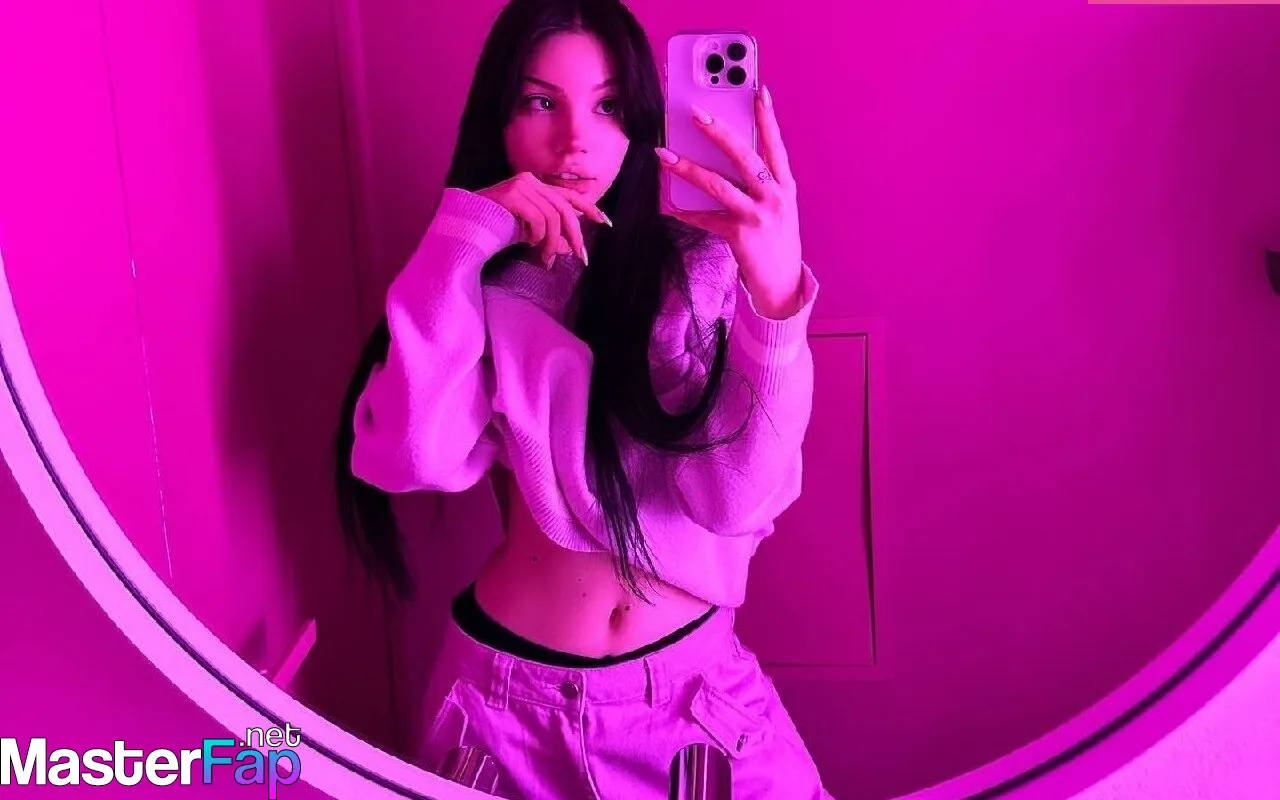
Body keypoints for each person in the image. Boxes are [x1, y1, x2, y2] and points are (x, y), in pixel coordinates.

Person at [333, 0, 829, 796]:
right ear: (499, 118)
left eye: (606, 106)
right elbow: (409, 455)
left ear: (641, 118)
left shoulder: (699, 268)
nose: (574, 141)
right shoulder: (481, 281)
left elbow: (733, 499)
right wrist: (468, 229)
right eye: (541, 102)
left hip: (689, 708)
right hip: (503, 714)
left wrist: (774, 299)